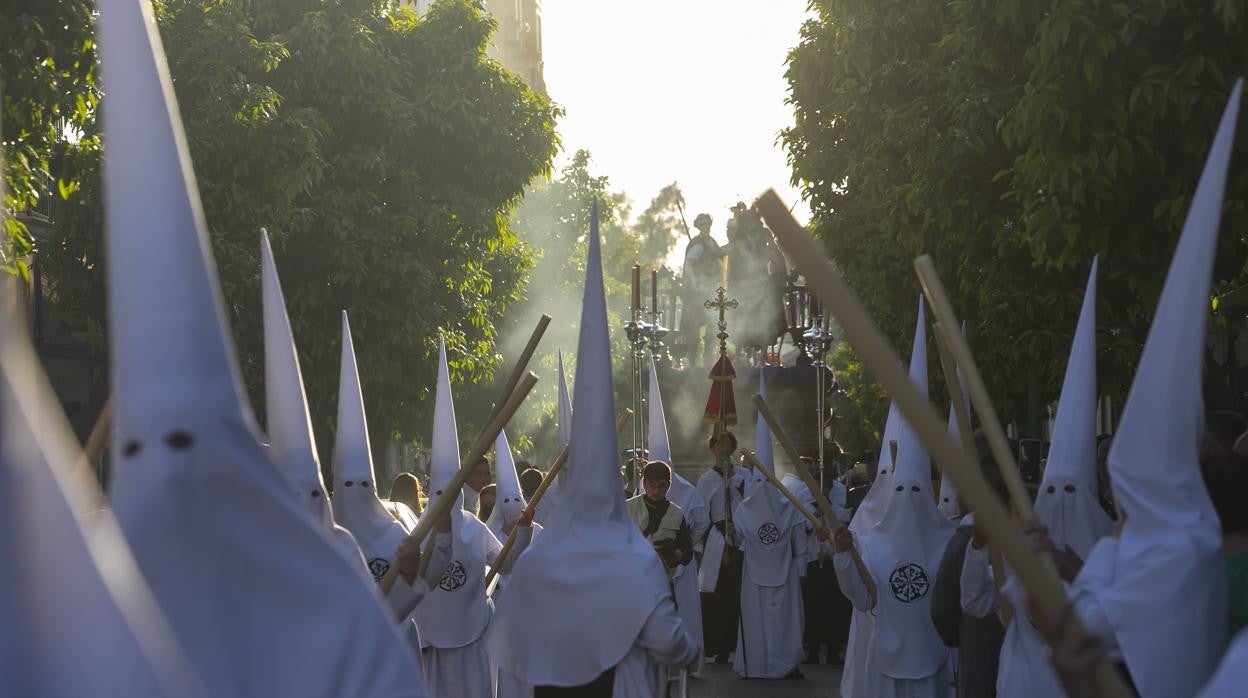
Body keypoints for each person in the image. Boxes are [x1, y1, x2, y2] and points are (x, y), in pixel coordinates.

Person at [487, 204, 698, 696]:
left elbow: (514, 647)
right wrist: (689, 651)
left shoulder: (543, 559)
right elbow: (671, 645)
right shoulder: (634, 561)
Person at [961, 259, 1113, 698]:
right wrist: (980, 546)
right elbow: (977, 604)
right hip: (1022, 682)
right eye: (1052, 490)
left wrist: (1079, 574)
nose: (1060, 500)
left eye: (1072, 491)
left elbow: (1126, 624)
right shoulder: (1019, 537)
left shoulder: (1110, 545)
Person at [832, 297, 954, 697]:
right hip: (884, 660)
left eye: (915, 490)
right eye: (900, 488)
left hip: (934, 660)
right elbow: (863, 596)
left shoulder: (948, 542)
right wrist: (844, 556)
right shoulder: (874, 540)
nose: (905, 496)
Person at [415, 340, 532, 698]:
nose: (442, 504)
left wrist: (523, 529)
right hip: (429, 644)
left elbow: (507, 562)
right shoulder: (413, 530)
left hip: (470, 640)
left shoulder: (475, 527)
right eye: (437, 496)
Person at [731, 368, 808, 679]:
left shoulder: (786, 502)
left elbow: (798, 534)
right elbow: (738, 538)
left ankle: (784, 663)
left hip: (780, 571)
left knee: (785, 618)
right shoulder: (767, 503)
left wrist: (800, 564)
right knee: (761, 618)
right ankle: (759, 664)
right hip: (759, 573)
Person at [931, 453, 1006, 698]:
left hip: (979, 650)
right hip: (978, 648)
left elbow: (943, 607)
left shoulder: (959, 542)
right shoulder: (964, 542)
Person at [696, 430, 746, 663]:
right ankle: (719, 646)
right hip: (717, 538)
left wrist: (732, 481)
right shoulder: (706, 480)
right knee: (718, 595)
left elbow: (748, 505)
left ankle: (740, 644)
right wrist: (718, 539)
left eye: (727, 444)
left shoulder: (743, 475)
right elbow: (701, 514)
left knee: (739, 593)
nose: (723, 449)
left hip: (741, 538)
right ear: (713, 449)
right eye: (719, 445)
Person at [626, 461, 694, 578]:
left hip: (663, 582)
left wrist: (675, 555)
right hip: (631, 579)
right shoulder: (627, 508)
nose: (656, 491)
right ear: (644, 484)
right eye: (652, 485)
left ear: (669, 485)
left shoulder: (676, 513)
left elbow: (687, 551)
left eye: (661, 485)